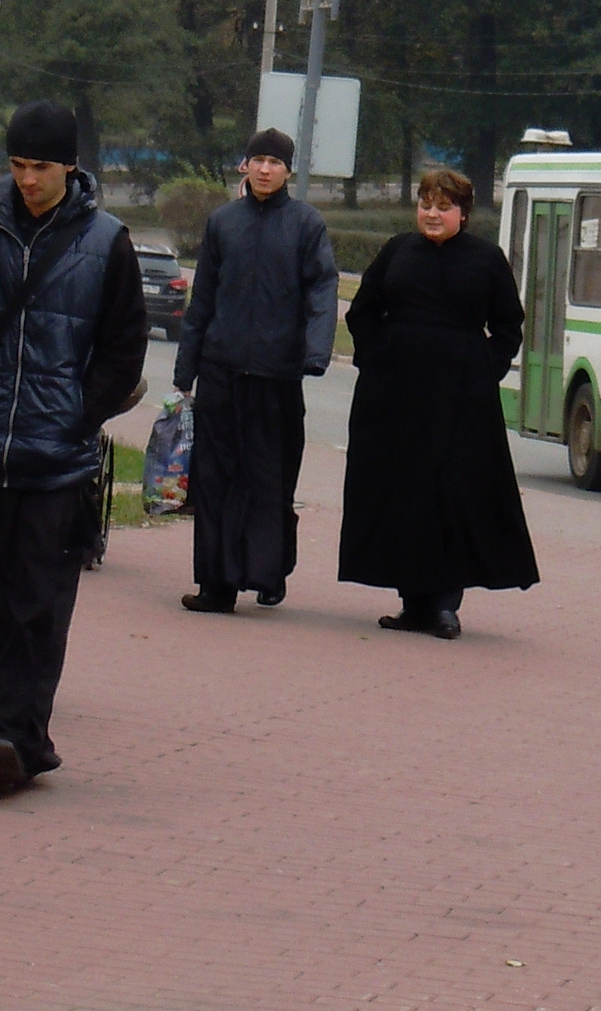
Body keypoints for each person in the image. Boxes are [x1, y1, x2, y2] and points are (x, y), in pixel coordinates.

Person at [0, 101, 147, 797]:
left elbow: (123, 350)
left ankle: (12, 741)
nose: (28, 180)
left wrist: (79, 417)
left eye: (41, 167)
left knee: (32, 608)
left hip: (54, 462)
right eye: (19, 165)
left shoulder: (106, 241)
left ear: (70, 167)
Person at [339, 166, 538, 639]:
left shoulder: (486, 260)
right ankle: (413, 604)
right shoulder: (397, 251)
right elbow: (362, 310)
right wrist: (375, 360)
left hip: (460, 401)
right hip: (396, 398)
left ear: (463, 214)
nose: (432, 214)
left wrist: (481, 370)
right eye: (426, 205)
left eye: (443, 207)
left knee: (452, 494)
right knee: (403, 494)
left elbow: (510, 326)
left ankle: (446, 605)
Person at [172, 128, 338, 614]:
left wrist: (315, 352)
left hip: (277, 376)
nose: (265, 169)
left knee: (270, 479)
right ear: (245, 166)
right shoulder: (223, 223)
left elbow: (321, 292)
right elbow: (202, 300)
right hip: (221, 371)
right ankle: (216, 584)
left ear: (288, 170)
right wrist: (186, 369)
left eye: (275, 161)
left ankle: (268, 573)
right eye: (257, 159)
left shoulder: (307, 225)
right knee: (214, 480)